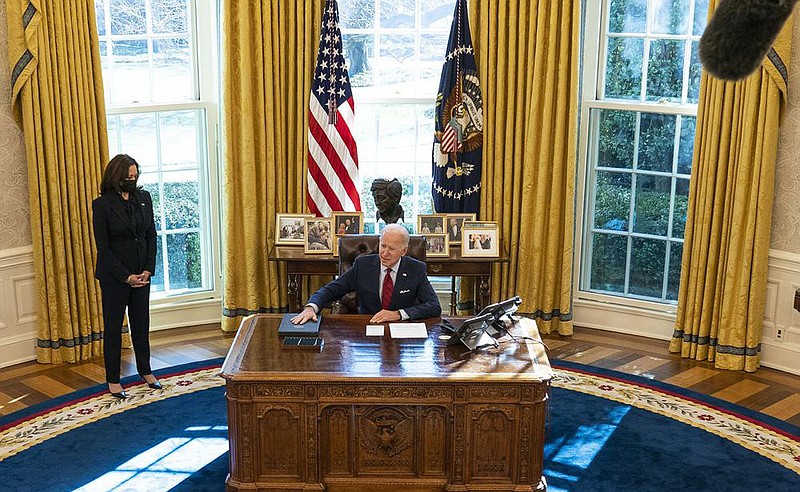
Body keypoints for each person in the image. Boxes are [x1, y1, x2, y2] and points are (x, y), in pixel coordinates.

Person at [92, 154, 161, 398]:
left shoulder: (144, 198)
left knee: (141, 323)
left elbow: (151, 235)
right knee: (113, 327)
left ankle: (146, 370)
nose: (133, 180)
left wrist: (148, 270)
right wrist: (126, 276)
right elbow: (104, 247)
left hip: (142, 274)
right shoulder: (102, 205)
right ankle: (113, 379)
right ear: (116, 177)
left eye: (135, 176)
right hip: (115, 277)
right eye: (128, 177)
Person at [291, 223, 441, 324]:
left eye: (392, 249)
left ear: (403, 251)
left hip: (402, 331)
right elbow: (331, 290)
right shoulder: (363, 265)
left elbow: (434, 306)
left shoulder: (416, 269)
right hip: (367, 328)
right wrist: (311, 307)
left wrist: (399, 314)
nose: (385, 253)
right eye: (383, 246)